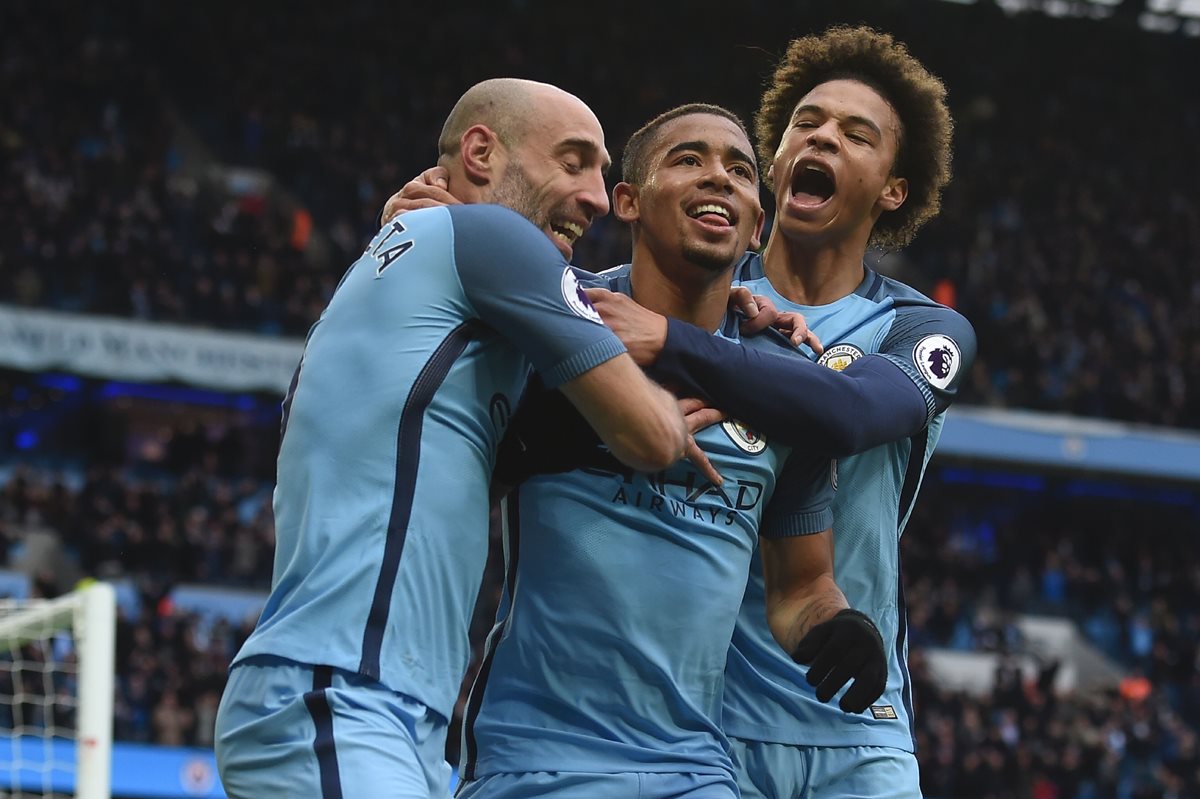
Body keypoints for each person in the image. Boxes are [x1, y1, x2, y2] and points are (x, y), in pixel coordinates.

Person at [213, 78, 689, 799]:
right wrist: (698, 376)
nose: (597, 197)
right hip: (338, 692)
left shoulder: (416, 269)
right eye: (573, 161)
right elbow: (649, 435)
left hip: (386, 710)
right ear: (480, 152)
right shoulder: (485, 237)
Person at [583, 27, 976, 799]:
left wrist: (674, 344)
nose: (822, 135)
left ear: (893, 189)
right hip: (702, 723)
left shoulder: (922, 330)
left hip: (857, 712)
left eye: (855, 135)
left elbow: (848, 412)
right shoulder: (685, 291)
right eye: (807, 122)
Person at [450, 104, 887, 799]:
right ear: (627, 200)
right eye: (689, 159)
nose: (719, 177)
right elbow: (445, 483)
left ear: (757, 223)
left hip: (692, 768)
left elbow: (799, 588)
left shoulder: (781, 386)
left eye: (740, 171)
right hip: (531, 757)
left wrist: (838, 627)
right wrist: (541, 440)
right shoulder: (556, 321)